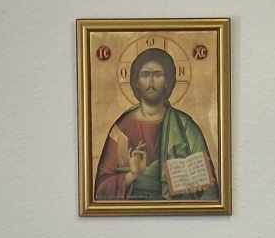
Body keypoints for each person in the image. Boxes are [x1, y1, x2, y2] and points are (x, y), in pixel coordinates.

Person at [92, 48, 218, 203]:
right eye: (145, 75)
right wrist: (132, 175)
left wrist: (191, 187)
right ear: (136, 82)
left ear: (167, 81)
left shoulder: (185, 127)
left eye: (158, 75)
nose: (151, 82)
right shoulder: (122, 128)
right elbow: (101, 190)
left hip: (176, 209)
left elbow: (209, 192)